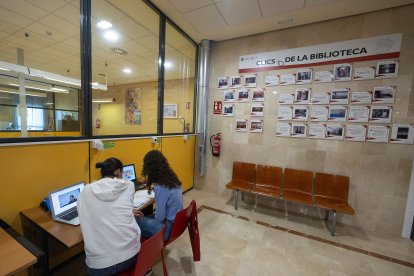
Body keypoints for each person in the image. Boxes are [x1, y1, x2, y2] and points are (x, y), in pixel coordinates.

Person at [78, 157, 141, 276]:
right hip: (131, 255)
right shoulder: (129, 185)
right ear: (117, 172)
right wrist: (128, 211)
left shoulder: (85, 190)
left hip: (98, 267)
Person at [135, 150, 183, 241]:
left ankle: (142, 248)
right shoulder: (172, 179)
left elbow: (159, 218)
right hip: (177, 224)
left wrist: (158, 192)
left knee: (134, 220)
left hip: (167, 230)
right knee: (145, 216)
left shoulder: (161, 187)